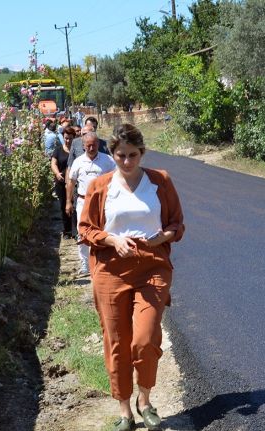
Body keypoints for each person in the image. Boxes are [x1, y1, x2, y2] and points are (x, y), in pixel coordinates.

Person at [78, 123, 184, 431]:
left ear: (142, 153)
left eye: (133, 155)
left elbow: (177, 224)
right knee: (117, 341)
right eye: (121, 155)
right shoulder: (100, 186)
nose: (127, 161)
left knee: (145, 338)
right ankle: (125, 410)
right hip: (110, 269)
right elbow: (85, 228)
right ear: (111, 154)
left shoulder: (160, 182)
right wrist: (112, 240)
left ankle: (145, 400)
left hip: (152, 265)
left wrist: (160, 237)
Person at [66, 132, 116, 276]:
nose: (91, 147)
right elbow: (71, 181)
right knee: (82, 232)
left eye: (94, 144)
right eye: (88, 145)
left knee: (104, 230)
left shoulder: (108, 161)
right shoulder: (78, 162)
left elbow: (118, 179)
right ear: (83, 146)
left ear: (98, 144)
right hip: (83, 201)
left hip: (104, 202)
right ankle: (85, 264)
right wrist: (68, 202)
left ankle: (103, 261)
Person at [51, 126, 76, 238]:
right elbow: (53, 163)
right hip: (61, 183)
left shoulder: (77, 151)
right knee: (63, 206)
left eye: (70, 138)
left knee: (74, 205)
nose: (68, 141)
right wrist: (57, 173)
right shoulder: (58, 150)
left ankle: (75, 230)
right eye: (66, 138)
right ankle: (66, 230)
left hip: (74, 183)